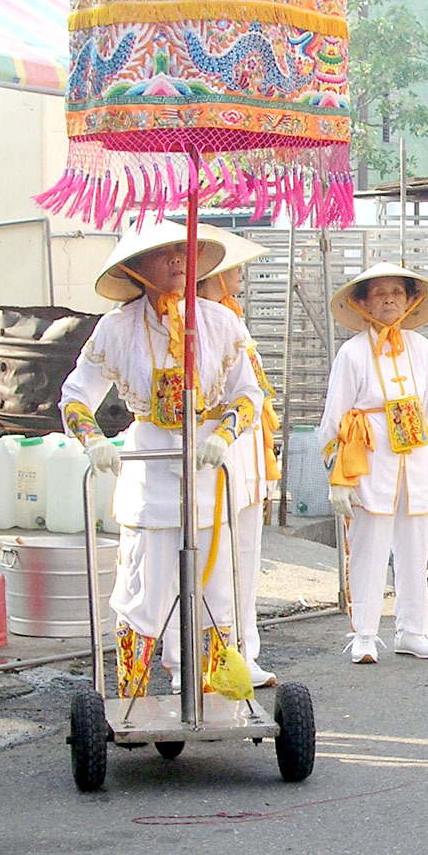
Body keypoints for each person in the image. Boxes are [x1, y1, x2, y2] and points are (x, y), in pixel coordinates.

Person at [60, 222, 262, 697]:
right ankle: (131, 697)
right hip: (149, 471)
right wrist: (92, 440)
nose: (175, 260)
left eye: (182, 251)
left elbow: (249, 394)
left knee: (216, 596)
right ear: (135, 268)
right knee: (144, 595)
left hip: (210, 471)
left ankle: (209, 694)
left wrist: (227, 433)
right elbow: (74, 398)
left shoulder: (222, 322)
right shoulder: (115, 327)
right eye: (162, 253)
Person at [161, 226, 278, 690]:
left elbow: (255, 397)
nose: (239, 275)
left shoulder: (234, 320)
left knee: (241, 564)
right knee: (187, 565)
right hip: (202, 459)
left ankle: (242, 653)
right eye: (230, 268)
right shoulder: (189, 324)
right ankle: (180, 661)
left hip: (244, 461)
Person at [319, 261, 428, 664]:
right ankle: (364, 634)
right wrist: (337, 476)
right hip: (371, 458)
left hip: (415, 459)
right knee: (368, 546)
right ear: (363, 303)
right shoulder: (352, 353)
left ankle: (413, 630)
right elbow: (334, 418)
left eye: (397, 292)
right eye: (379, 292)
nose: (389, 299)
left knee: (415, 546)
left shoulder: (421, 347)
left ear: (411, 301)